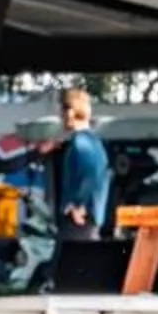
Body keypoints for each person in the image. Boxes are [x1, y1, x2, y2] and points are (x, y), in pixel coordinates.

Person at [50, 87, 111, 240]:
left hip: (79, 220)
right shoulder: (93, 141)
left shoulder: (81, 142)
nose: (60, 116)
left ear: (70, 111)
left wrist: (79, 205)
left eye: (62, 111)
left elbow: (92, 174)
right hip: (88, 217)